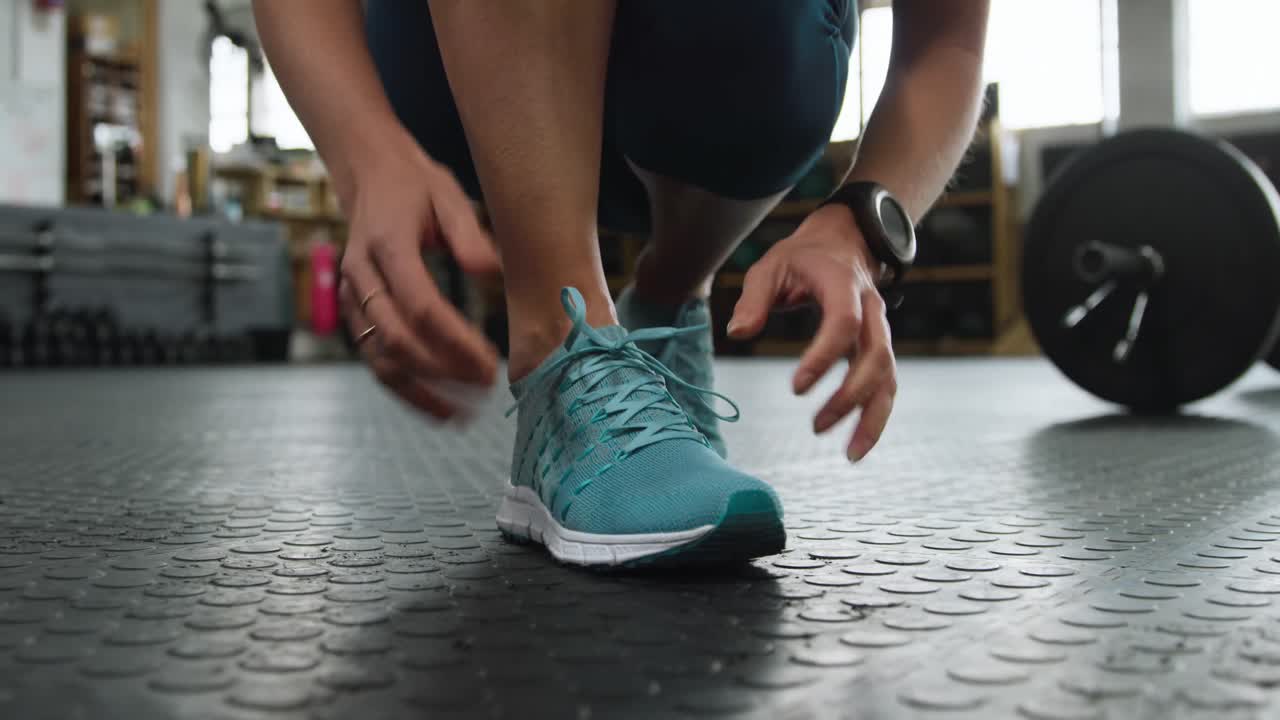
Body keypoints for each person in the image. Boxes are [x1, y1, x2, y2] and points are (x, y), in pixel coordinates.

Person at [254, 0, 990, 567]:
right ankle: (561, 340)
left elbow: (947, 43)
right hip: (443, 63)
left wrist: (859, 228)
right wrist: (364, 156)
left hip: (726, 70)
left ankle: (670, 295)